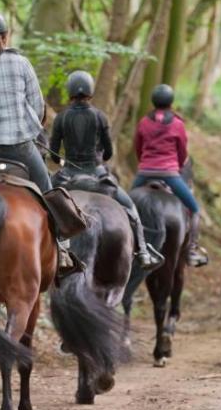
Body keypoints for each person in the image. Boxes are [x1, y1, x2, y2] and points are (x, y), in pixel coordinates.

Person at [0, 11, 77, 272]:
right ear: (5, 36)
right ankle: (63, 249)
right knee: (48, 192)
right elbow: (37, 105)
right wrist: (30, 126)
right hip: (20, 147)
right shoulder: (21, 64)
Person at [49, 70, 163, 270]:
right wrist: (99, 158)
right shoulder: (100, 116)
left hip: (68, 177)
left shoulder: (61, 118)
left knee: (41, 204)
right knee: (130, 209)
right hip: (97, 176)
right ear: (91, 92)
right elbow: (109, 151)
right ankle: (143, 252)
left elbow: (54, 155)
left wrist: (62, 162)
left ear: (69, 92)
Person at [132, 84, 209, 267]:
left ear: (153, 101)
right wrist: (177, 165)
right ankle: (191, 249)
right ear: (171, 102)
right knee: (194, 208)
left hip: (145, 172)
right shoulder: (177, 124)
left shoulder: (143, 122)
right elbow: (182, 151)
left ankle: (131, 244)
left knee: (125, 206)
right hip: (170, 174)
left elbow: (137, 147)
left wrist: (144, 162)